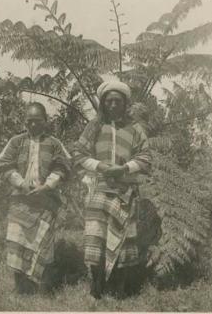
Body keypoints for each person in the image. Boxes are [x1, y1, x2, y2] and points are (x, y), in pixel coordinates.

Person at [71, 80, 151, 299]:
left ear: (125, 103)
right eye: (109, 101)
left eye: (118, 101)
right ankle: (96, 288)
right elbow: (78, 153)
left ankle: (119, 290)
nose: (113, 105)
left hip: (126, 193)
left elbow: (145, 157)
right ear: (103, 104)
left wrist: (124, 168)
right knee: (95, 240)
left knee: (124, 240)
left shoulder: (135, 129)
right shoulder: (94, 126)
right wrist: (102, 167)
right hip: (99, 190)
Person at [0, 102, 71, 295]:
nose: (33, 125)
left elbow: (63, 165)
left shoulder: (54, 143)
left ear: (46, 121)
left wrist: (47, 186)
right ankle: (20, 289)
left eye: (37, 121)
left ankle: (44, 290)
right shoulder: (16, 141)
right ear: (25, 122)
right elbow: (3, 163)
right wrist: (21, 183)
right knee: (17, 244)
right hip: (20, 201)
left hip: (45, 201)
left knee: (43, 247)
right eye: (29, 121)